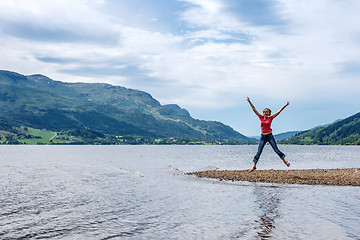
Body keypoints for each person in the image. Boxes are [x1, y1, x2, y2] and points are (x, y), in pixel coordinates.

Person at [247, 97, 290, 172]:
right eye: (265, 112)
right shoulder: (260, 117)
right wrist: (249, 101)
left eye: (267, 112)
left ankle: (285, 161)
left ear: (269, 113)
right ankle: (254, 166)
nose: (266, 113)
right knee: (259, 151)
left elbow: (279, 111)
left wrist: (285, 105)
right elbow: (254, 109)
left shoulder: (271, 118)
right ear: (263, 113)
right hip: (262, 137)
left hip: (270, 136)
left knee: (276, 150)